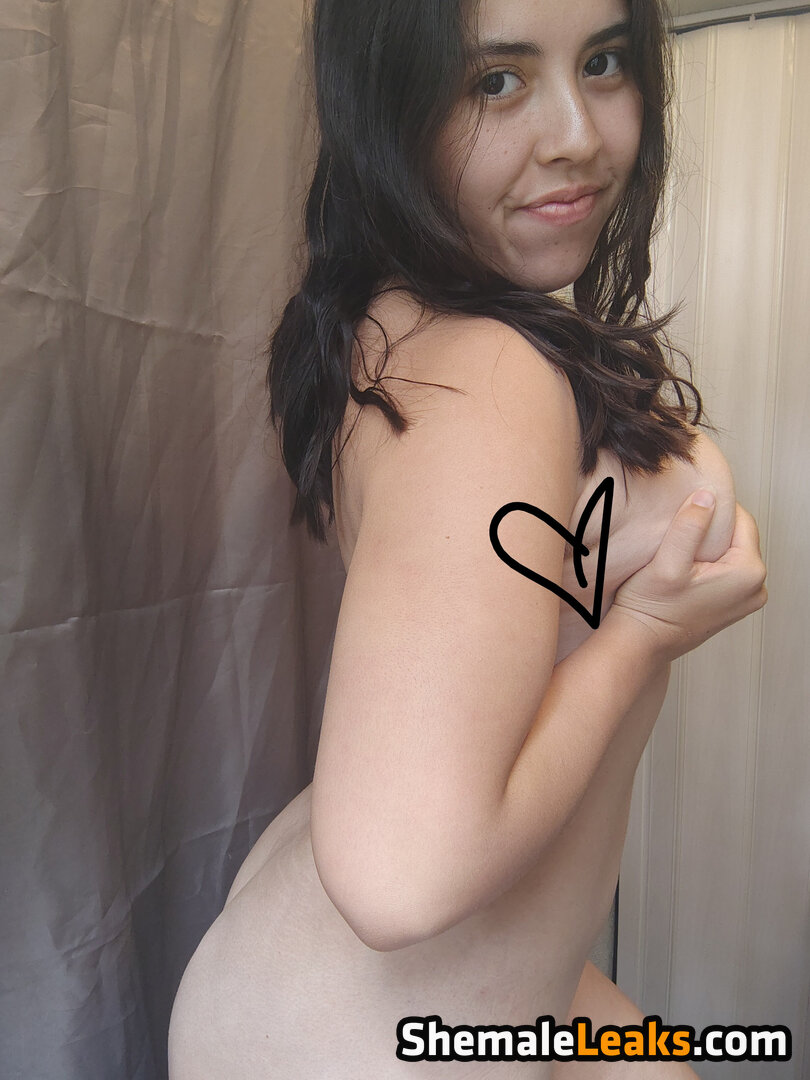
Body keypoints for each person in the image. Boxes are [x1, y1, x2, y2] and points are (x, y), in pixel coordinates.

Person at [168, 0, 767, 1076]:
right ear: (391, 107)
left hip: (376, 1008)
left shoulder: (395, 326)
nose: (577, 134)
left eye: (604, 62)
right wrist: (640, 633)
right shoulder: (483, 367)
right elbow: (401, 879)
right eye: (497, 80)